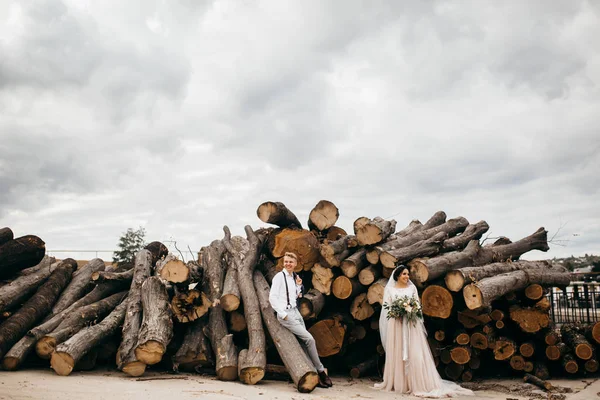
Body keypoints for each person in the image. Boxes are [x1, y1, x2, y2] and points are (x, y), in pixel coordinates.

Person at [375, 265, 474, 398]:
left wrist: (411, 311)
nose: (407, 277)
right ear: (398, 276)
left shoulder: (412, 288)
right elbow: (388, 308)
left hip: (411, 324)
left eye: (408, 274)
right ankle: (400, 383)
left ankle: (416, 382)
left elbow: (416, 305)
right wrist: (397, 313)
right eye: (404, 274)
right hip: (396, 324)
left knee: (415, 353)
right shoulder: (391, 290)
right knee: (398, 351)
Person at [269, 252, 333, 388]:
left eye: (290, 262)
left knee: (305, 343)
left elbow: (296, 296)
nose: (288, 264)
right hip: (286, 314)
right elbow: (272, 298)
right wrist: (282, 314)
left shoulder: (294, 277)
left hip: (295, 312)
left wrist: (298, 286)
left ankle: (314, 375)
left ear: (295, 264)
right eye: (286, 261)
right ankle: (321, 372)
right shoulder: (279, 277)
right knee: (309, 339)